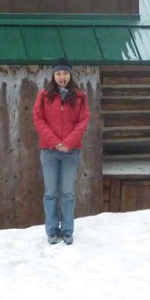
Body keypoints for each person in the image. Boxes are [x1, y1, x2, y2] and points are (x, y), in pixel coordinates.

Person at [33, 58, 90, 245]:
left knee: (67, 192)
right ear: (53, 75)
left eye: (65, 73)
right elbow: (38, 119)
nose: (62, 77)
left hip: (71, 152)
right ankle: (51, 231)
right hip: (49, 151)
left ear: (70, 74)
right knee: (51, 192)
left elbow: (83, 121)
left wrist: (68, 142)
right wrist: (55, 142)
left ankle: (67, 231)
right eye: (58, 73)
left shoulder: (80, 97)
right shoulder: (43, 95)